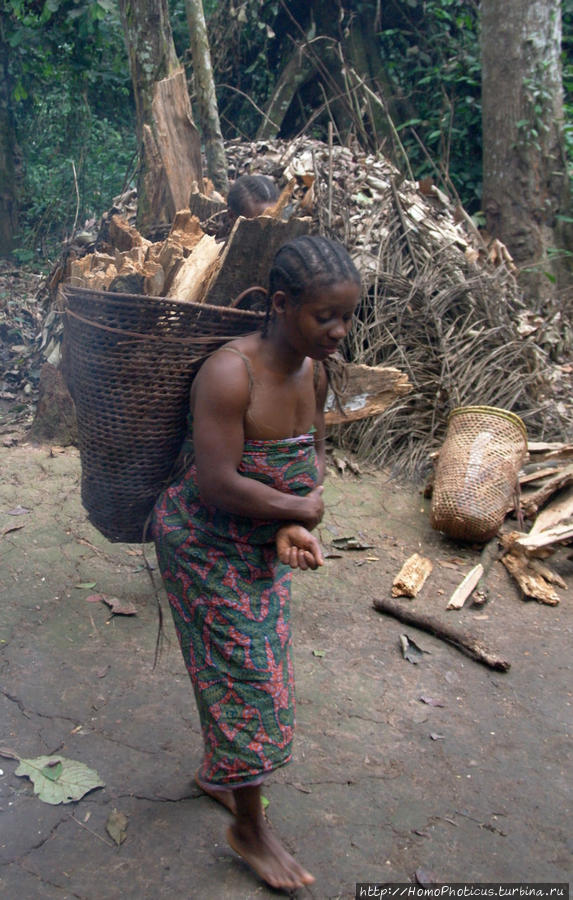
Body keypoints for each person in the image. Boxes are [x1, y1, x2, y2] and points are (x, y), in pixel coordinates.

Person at [152, 234, 361, 890]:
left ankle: (222, 772)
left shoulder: (315, 372)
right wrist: (297, 512)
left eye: (347, 316)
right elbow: (216, 483)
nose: (338, 330)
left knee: (246, 667)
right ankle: (249, 827)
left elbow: (310, 457)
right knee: (250, 681)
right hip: (201, 542)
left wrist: (293, 521)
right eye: (323, 315)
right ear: (279, 304)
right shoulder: (229, 373)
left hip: (256, 540)